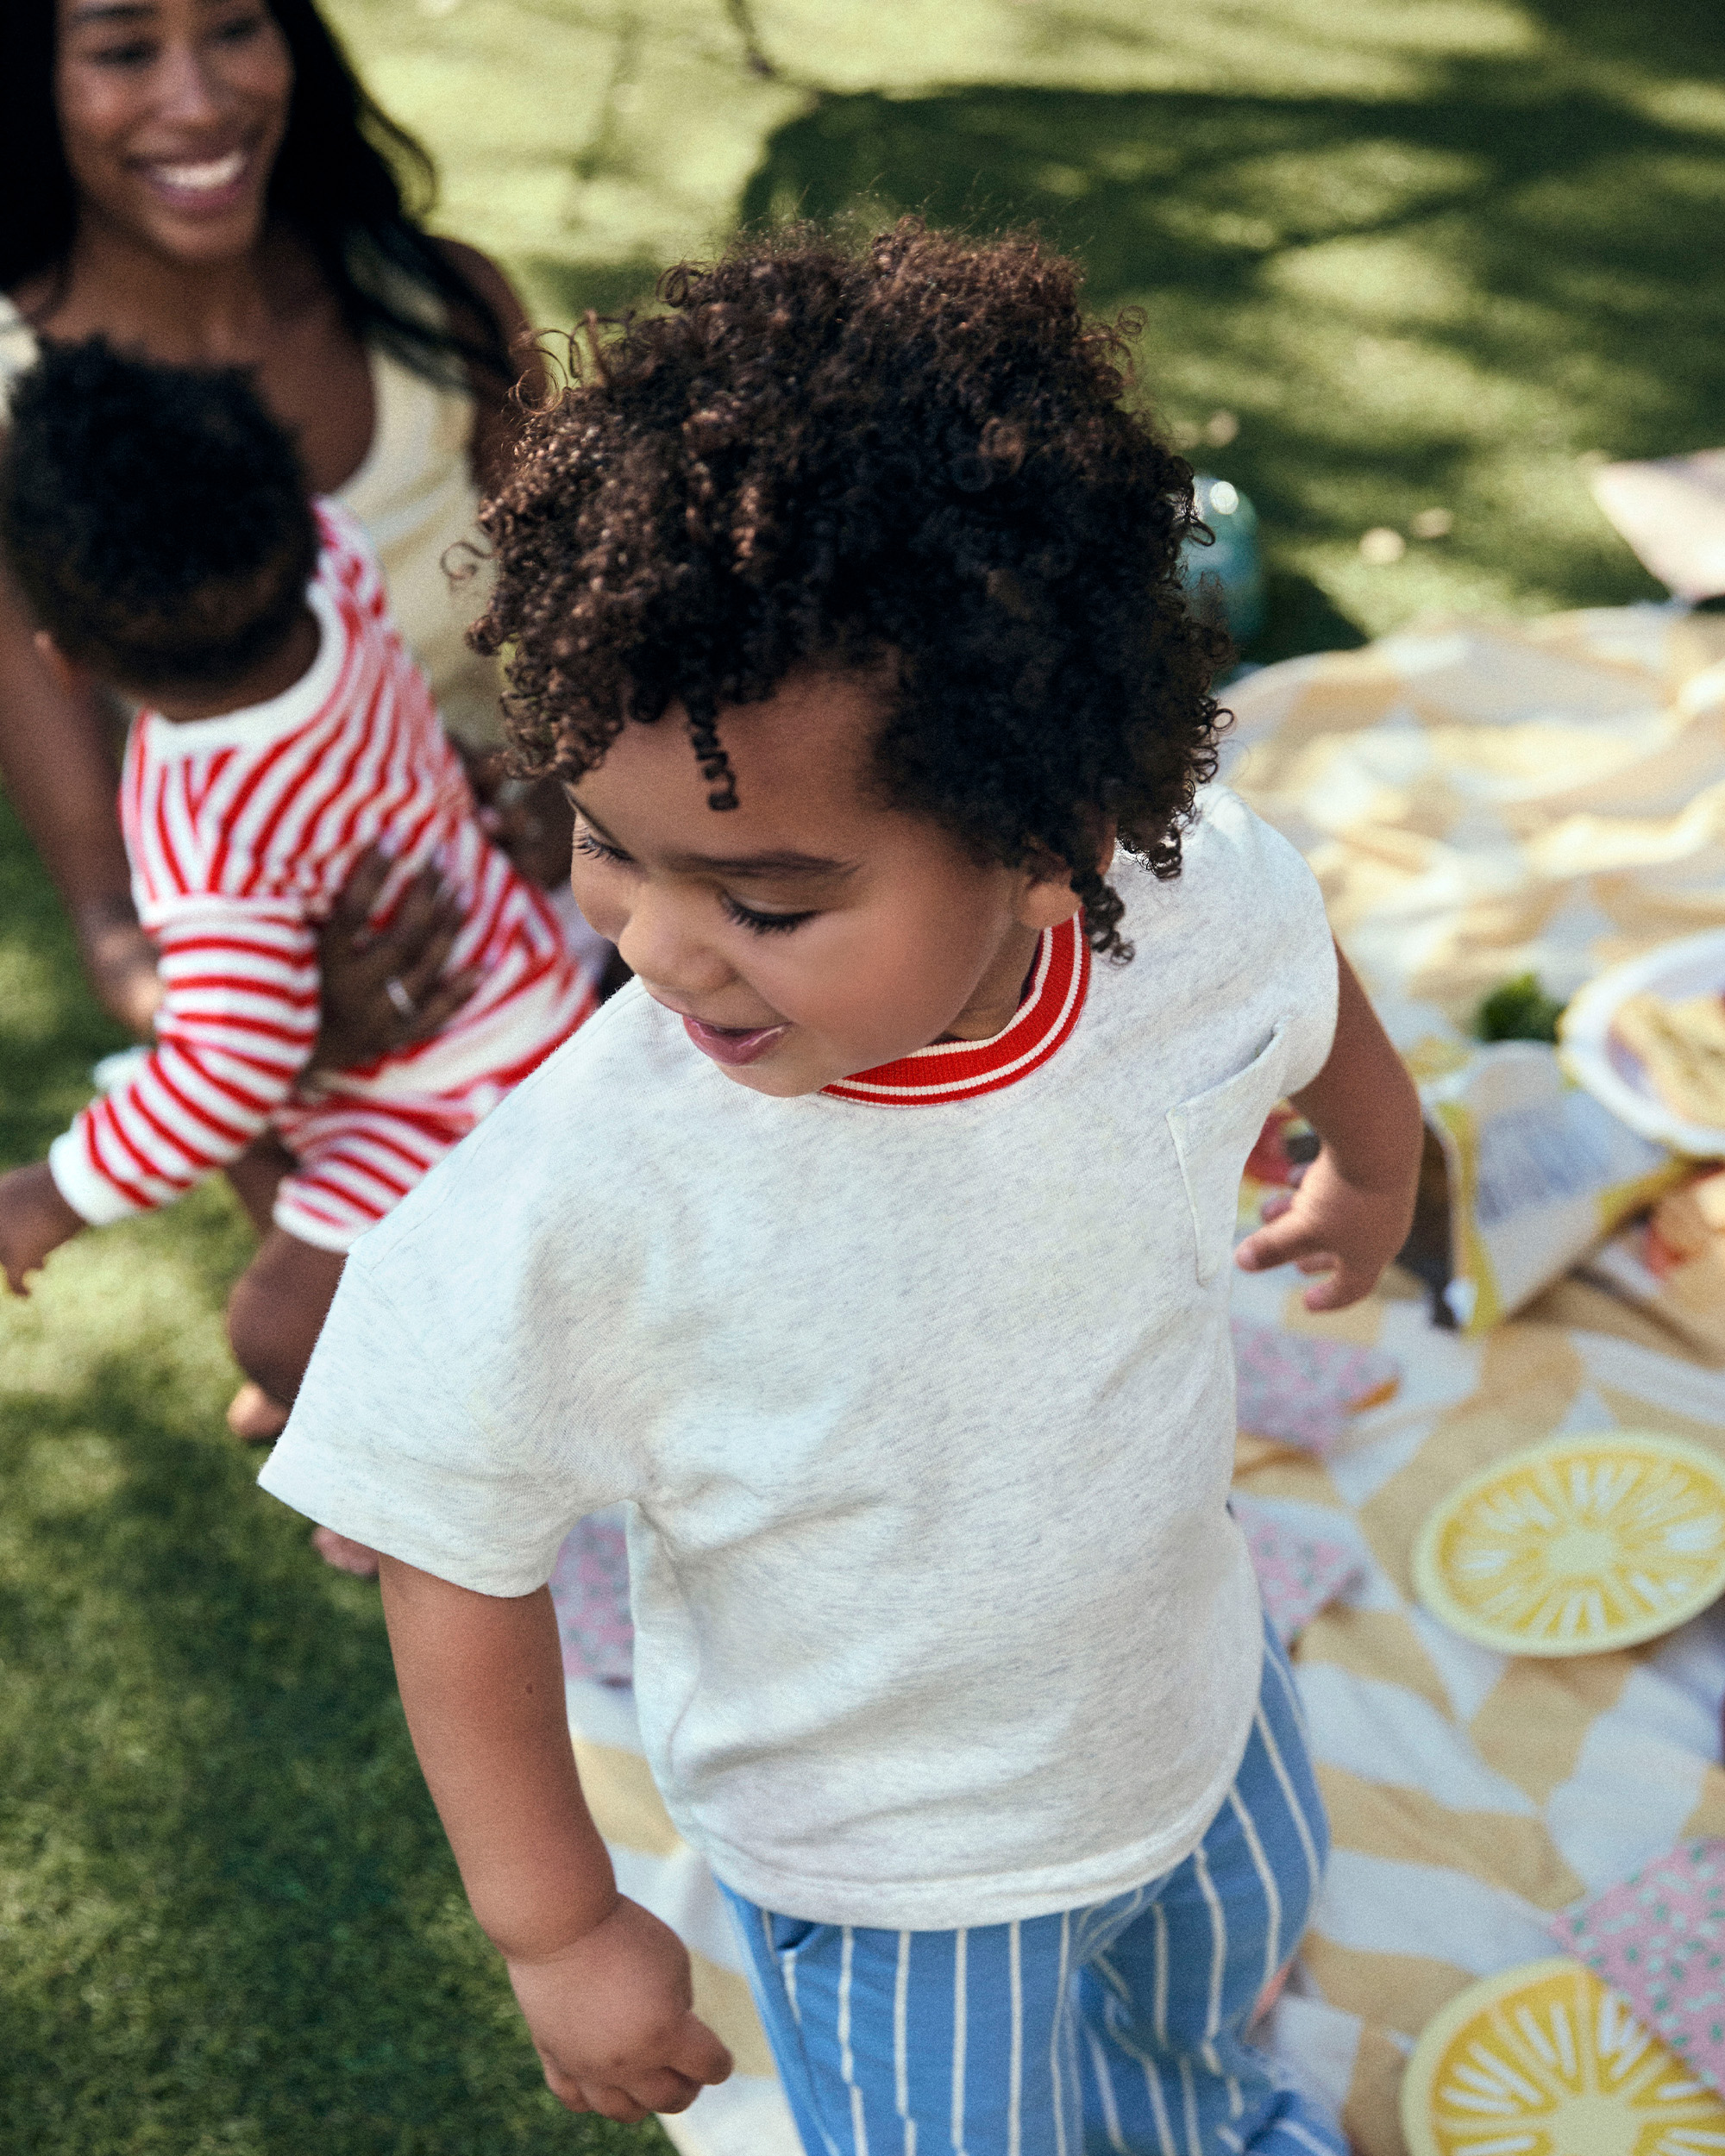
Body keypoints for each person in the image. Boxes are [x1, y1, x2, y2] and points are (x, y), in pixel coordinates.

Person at [259, 222, 1424, 2150]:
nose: (658, 948)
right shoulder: (591, 1182)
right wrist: (555, 1925)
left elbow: (1298, 975)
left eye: (770, 897)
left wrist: (1374, 1163)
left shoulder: (1188, 891)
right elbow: (443, 1533)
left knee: (1216, 2002)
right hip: (893, 1881)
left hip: (1193, 1710)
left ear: (1054, 842)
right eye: (608, 845)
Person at [0, 338, 596, 1576]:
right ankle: (396, 1348)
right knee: (177, 1110)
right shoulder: (331, 564)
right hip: (515, 966)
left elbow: (228, 1072)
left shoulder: (199, 825)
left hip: (442, 1102)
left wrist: (45, 1202)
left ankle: (416, 1468)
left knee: (271, 1331)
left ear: (64, 655)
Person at [0, 0, 576, 1048]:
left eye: (235, 26)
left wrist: (573, 792)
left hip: (577, 928)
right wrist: (296, 1029)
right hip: (266, 1012)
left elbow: (625, 649)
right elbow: (111, 921)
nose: (203, 101)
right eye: (126, 50)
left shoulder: (439, 304)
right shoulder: (14, 408)